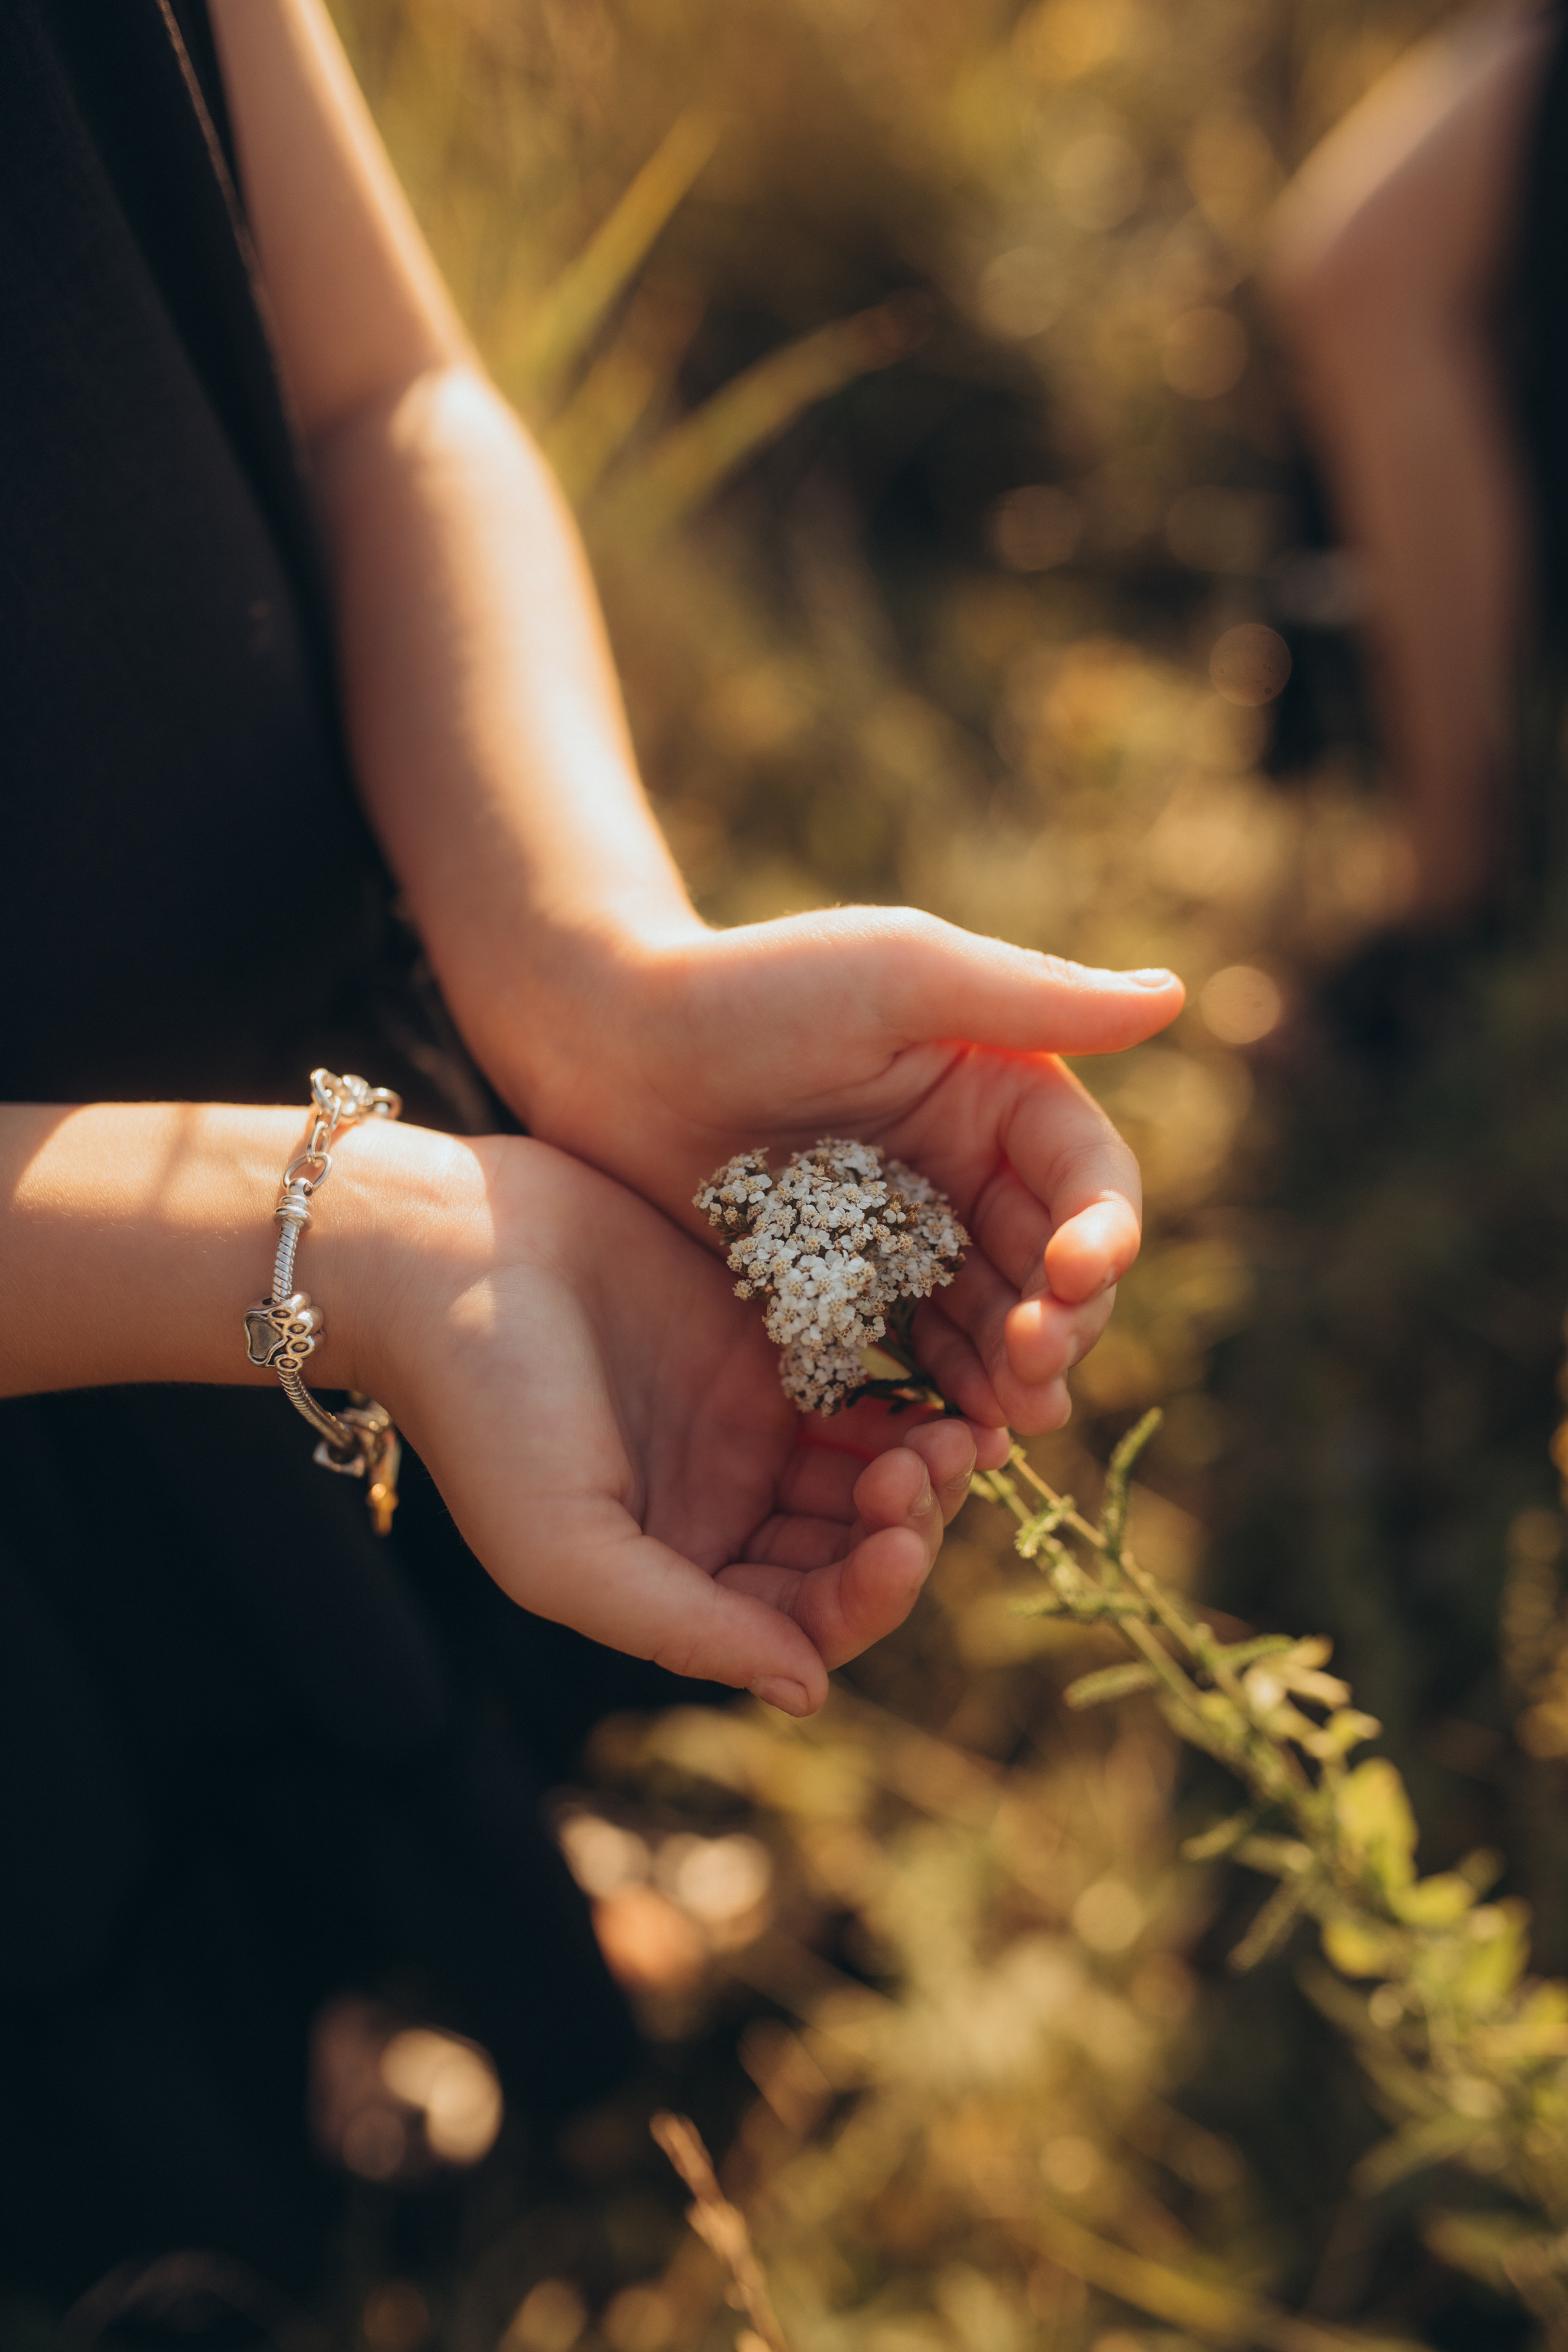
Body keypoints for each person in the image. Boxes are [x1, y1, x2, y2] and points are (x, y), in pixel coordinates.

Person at [0, 0, 1183, 2296]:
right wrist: (340, 1238)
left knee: (395, 1714)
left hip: (334, 1114)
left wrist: (584, 970)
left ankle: (502, 1977)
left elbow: (386, 399)